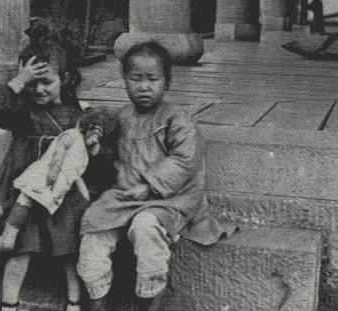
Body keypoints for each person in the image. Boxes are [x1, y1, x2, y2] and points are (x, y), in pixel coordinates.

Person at [76, 42, 235, 311]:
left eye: (152, 79)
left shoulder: (177, 120)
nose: (144, 86)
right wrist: (95, 140)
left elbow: (185, 160)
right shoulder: (121, 117)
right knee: (94, 225)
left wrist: (149, 185)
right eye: (135, 79)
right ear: (125, 81)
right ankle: (98, 298)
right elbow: (109, 155)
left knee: (146, 227)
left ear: (167, 82)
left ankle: (151, 300)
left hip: (168, 199)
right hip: (125, 196)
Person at [0, 31, 113, 311]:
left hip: (62, 194)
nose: (38, 90)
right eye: (32, 84)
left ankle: (74, 302)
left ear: (66, 79)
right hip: (22, 191)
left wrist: (94, 139)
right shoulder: (22, 111)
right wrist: (18, 81)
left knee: (69, 250)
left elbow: (96, 151)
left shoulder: (79, 114)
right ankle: (8, 303)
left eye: (46, 82)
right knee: (18, 247)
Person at [0, 106, 118, 253]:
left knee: (23, 201)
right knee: (18, 195)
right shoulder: (72, 136)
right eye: (94, 130)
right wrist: (56, 170)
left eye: (100, 134)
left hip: (48, 180)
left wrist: (57, 172)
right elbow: (60, 151)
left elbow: (78, 165)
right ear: (87, 126)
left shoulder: (81, 145)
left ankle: (8, 236)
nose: (95, 139)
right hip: (51, 179)